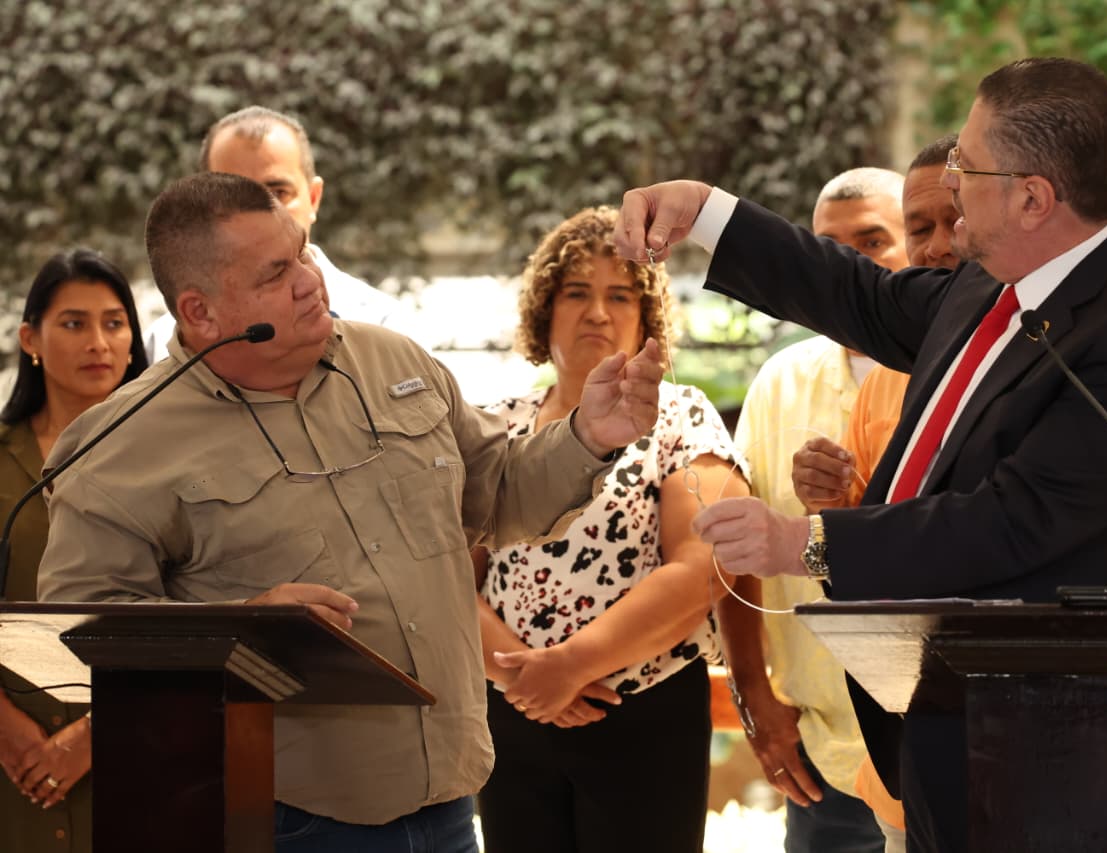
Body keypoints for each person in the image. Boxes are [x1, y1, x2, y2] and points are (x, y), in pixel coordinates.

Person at [616, 57, 1107, 852]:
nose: (951, 179)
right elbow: (858, 294)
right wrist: (707, 215)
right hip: (946, 715)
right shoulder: (991, 283)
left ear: (1034, 197)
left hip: (1069, 752)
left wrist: (804, 541)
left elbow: (1018, 519)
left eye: (968, 165)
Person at [37, 172, 663, 853]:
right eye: (277, 273)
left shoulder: (392, 358)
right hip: (277, 819)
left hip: (451, 803)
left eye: (303, 252)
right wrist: (236, 633)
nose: (311, 280)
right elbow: (79, 636)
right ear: (202, 311)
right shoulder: (119, 445)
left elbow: (499, 492)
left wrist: (588, 436)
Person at [471, 205, 748, 853]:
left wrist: (571, 665)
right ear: (544, 310)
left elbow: (705, 566)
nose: (597, 311)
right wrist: (524, 677)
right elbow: (447, 572)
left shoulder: (682, 414)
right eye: (576, 292)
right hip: (512, 712)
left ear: (645, 316)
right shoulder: (495, 426)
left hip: (642, 713)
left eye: (619, 294)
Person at [717, 167, 908, 853]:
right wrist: (752, 697)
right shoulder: (779, 382)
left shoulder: (956, 373)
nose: (848, 264)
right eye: (829, 246)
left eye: (874, 240)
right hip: (821, 755)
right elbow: (734, 557)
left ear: (917, 248)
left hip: (944, 750)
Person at [789, 136, 960, 853]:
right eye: (921, 229)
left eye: (954, 220)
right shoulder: (895, 369)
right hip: (898, 747)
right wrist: (831, 503)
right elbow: (866, 548)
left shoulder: (1067, 350)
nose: (937, 248)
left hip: (1034, 740)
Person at [0, 248, 148, 853]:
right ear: (30, 338)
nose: (99, 342)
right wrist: (9, 732)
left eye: (114, 323)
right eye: (74, 323)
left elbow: (200, 606)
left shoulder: (170, 460)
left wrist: (94, 734)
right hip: (13, 758)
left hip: (142, 745)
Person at [142, 106, 432, 361]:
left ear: (314, 198)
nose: (261, 213)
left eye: (278, 192)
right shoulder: (170, 343)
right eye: (236, 196)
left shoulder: (388, 329)